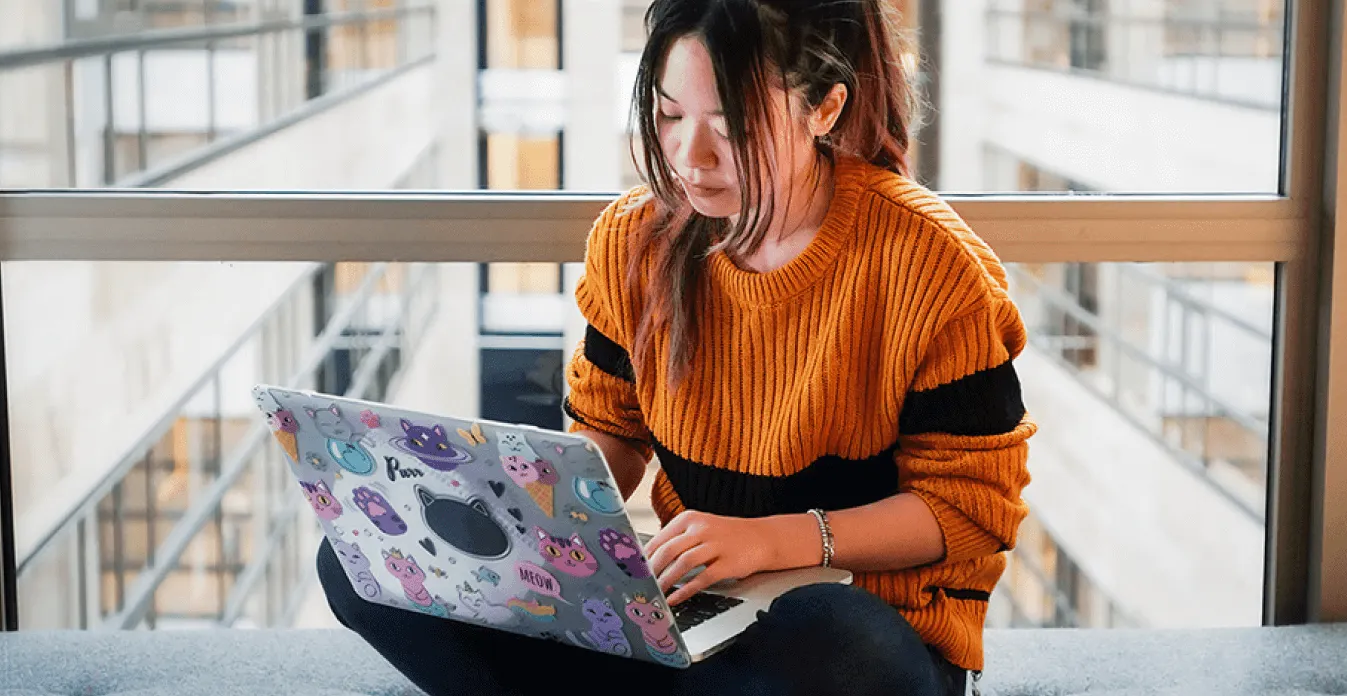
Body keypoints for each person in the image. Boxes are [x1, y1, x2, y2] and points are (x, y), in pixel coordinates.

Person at [316, 0, 1034, 693]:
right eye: (668, 114)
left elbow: (969, 508)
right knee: (366, 561)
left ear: (825, 109)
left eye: (733, 123)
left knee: (837, 639)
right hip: (692, 617)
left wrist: (777, 541)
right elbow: (610, 434)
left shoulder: (932, 264)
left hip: (868, 624)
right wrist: (527, 530)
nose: (690, 156)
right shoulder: (634, 240)